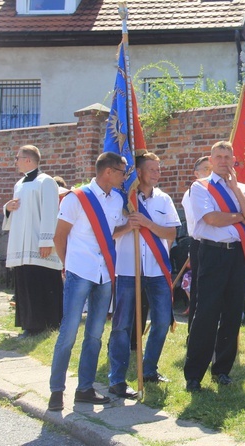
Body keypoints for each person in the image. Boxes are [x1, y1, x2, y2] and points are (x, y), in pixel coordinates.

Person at [47, 152, 127, 411]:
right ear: (108, 172)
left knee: (94, 335)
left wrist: (130, 227)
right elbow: (59, 236)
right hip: (79, 271)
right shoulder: (77, 197)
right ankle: (56, 390)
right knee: (68, 332)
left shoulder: (117, 199)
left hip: (105, 273)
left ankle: (85, 388)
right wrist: (68, 265)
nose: (125, 177)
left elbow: (109, 232)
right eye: (122, 172)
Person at [183, 141, 245, 392]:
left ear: (233, 159)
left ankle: (222, 370)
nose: (224, 161)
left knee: (231, 314)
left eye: (228, 156)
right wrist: (240, 217)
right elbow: (211, 219)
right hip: (212, 253)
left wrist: (236, 191)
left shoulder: (243, 189)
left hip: (237, 255)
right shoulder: (200, 187)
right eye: (219, 156)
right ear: (211, 159)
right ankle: (194, 374)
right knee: (206, 313)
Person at [107, 152, 181, 399]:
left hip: (157, 270)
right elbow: (110, 233)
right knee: (122, 325)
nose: (157, 173)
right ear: (138, 172)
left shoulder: (164, 199)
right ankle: (116, 378)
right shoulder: (123, 199)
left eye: (158, 169)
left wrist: (148, 225)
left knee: (161, 321)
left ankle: (149, 369)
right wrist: (129, 225)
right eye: (152, 169)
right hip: (128, 269)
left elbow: (171, 234)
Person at [3, 144, 63, 337]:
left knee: (40, 283)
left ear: (28, 159)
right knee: (25, 282)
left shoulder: (46, 182)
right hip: (22, 243)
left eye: (18, 157)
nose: (15, 161)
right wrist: (8, 208)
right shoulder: (19, 184)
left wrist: (47, 241)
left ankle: (45, 324)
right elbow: (18, 213)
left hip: (39, 244)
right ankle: (29, 324)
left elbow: (50, 212)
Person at [181, 155, 212, 326]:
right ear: (196, 173)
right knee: (199, 290)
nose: (210, 173)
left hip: (217, 244)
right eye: (206, 169)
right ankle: (194, 330)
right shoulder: (193, 192)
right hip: (201, 243)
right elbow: (202, 220)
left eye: (212, 169)